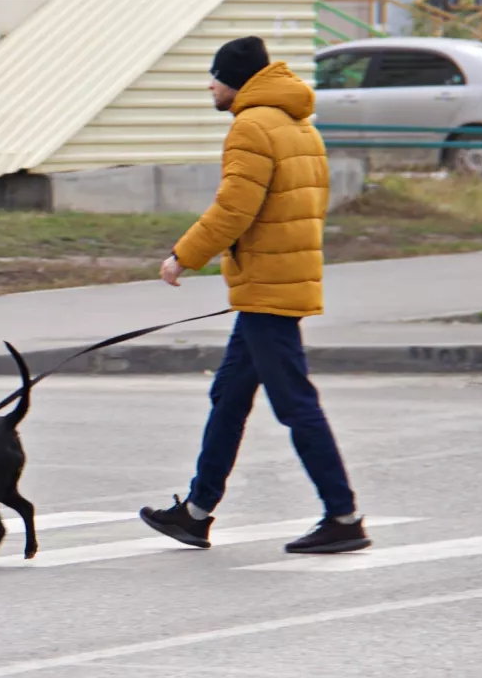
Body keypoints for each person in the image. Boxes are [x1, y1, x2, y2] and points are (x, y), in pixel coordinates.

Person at [139, 36, 370, 555]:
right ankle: (197, 512)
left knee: (295, 404)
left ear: (237, 80)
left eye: (216, 77)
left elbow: (233, 210)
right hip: (278, 281)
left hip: (268, 289)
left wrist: (183, 255)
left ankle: (343, 516)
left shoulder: (251, 126)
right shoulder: (298, 125)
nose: (210, 85)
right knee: (229, 395)